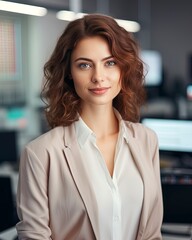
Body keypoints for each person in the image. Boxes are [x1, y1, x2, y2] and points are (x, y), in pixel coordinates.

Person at [16, 13, 163, 240]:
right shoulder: (41, 153)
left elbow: (152, 232)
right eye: (84, 65)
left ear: (124, 69)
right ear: (69, 74)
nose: (99, 77)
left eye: (110, 63)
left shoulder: (147, 140)